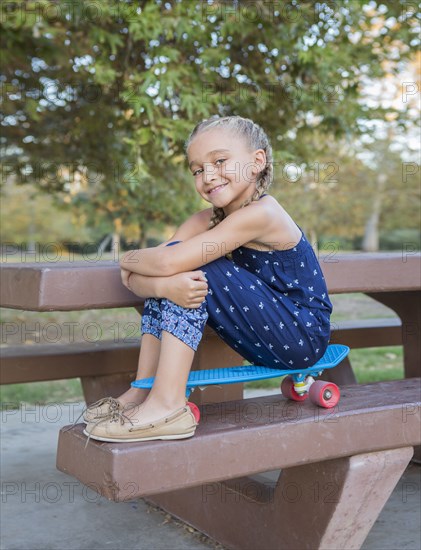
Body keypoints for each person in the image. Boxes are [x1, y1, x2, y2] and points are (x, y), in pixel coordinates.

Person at [84, 115, 333, 443]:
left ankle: (168, 405)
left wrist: (127, 259)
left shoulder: (264, 213)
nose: (207, 175)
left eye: (219, 161)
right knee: (180, 273)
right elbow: (154, 270)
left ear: (257, 161)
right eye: (198, 170)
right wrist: (163, 285)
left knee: (190, 268)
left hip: (301, 334)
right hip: (260, 337)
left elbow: (166, 261)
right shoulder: (207, 220)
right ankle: (142, 390)